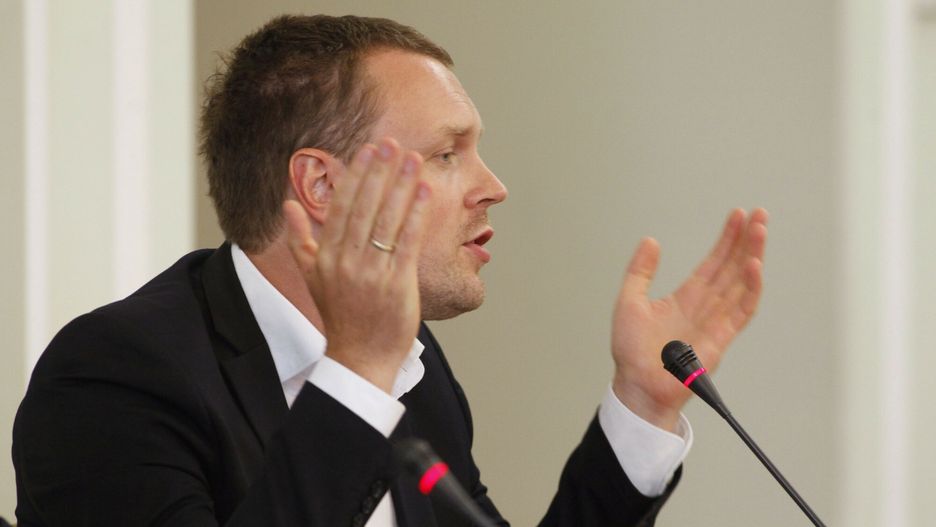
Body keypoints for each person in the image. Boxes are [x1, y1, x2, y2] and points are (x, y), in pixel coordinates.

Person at [12, 14, 768, 527]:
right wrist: (357, 376)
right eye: (446, 154)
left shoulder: (412, 369)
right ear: (322, 185)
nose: (493, 186)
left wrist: (641, 405)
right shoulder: (115, 377)